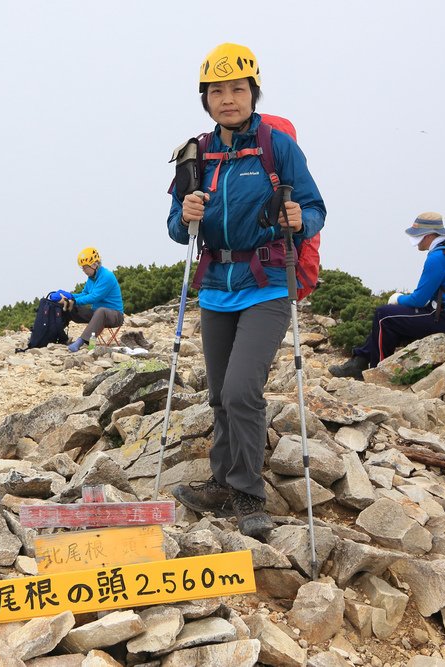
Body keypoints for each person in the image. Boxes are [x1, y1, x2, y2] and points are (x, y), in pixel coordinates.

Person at [166, 43, 326, 539]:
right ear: (206, 98)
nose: (228, 98)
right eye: (217, 90)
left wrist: (300, 219)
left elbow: (316, 207)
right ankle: (222, 478)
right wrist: (185, 216)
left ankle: (248, 494)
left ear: (253, 93)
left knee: (240, 390)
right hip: (216, 285)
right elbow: (175, 228)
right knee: (218, 395)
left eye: (237, 89)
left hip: (267, 285)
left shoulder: (279, 147)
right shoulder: (195, 154)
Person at [329, 212, 445, 379]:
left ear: (428, 235)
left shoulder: (438, 257)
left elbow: (419, 300)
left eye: (417, 234)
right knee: (390, 318)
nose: (414, 240)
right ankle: (359, 362)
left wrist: (397, 299)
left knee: (384, 315)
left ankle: (376, 373)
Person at [63, 247, 124, 352]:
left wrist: (74, 300)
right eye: (82, 268)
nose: (84, 271)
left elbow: (94, 297)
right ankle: (58, 336)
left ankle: (80, 342)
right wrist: (69, 297)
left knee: (101, 311)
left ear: (94, 265)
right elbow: (84, 294)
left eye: (85, 268)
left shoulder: (107, 276)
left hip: (115, 315)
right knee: (68, 306)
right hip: (97, 314)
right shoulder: (91, 278)